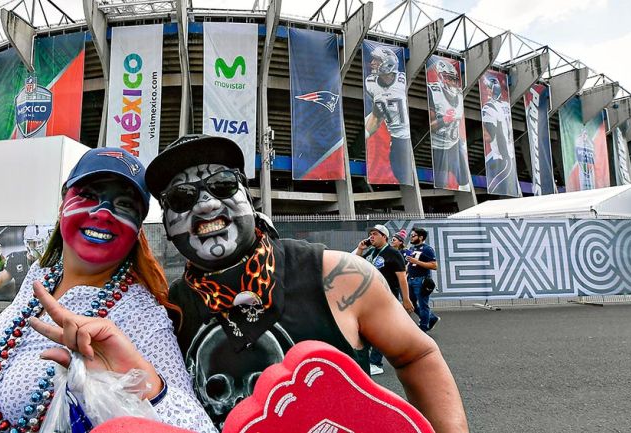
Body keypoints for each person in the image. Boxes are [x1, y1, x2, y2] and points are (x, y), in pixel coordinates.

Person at [143, 135, 468, 432]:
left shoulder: (337, 275)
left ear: (248, 195)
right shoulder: (167, 312)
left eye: (223, 185)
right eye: (182, 197)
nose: (206, 204)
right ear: (166, 222)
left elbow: (416, 355)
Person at [0, 148, 216, 433]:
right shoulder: (42, 274)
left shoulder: (142, 316)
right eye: (88, 195)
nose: (103, 212)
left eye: (124, 205)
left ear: (137, 229)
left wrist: (147, 385)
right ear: (63, 204)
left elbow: (197, 427)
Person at [354, 224, 413, 376]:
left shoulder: (393, 253)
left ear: (384, 236)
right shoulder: (372, 252)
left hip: (386, 297)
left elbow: (402, 278)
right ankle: (367, 360)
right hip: (370, 297)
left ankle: (376, 362)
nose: (371, 237)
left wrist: (406, 299)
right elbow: (355, 263)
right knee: (366, 329)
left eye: (375, 234)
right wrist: (361, 249)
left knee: (379, 330)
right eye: (370, 234)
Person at [363, 46, 413, 184]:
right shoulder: (371, 83)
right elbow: (377, 115)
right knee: (398, 174)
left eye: (377, 60)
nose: (372, 62)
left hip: (408, 136)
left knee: (403, 175)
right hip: (395, 138)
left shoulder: (402, 80)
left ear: (388, 62)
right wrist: (366, 135)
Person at [426, 58, 470, 191]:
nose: (451, 82)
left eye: (453, 79)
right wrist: (443, 120)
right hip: (439, 146)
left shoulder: (458, 95)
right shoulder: (434, 92)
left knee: (465, 180)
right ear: (440, 77)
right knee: (441, 185)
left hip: (455, 144)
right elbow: (431, 125)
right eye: (448, 78)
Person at [481, 75, 518, 195]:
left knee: (495, 191)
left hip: (501, 158)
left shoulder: (489, 107)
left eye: (488, 88)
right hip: (510, 157)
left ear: (494, 90)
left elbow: (489, 137)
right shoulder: (506, 106)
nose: (486, 90)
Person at [406, 227, 440, 332]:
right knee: (410, 303)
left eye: (413, 235)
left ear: (420, 237)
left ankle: (423, 328)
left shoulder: (427, 249)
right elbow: (410, 263)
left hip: (421, 280)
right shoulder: (411, 248)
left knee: (423, 305)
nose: (411, 237)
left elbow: (434, 266)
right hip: (410, 279)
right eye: (411, 235)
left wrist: (417, 262)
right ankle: (431, 318)